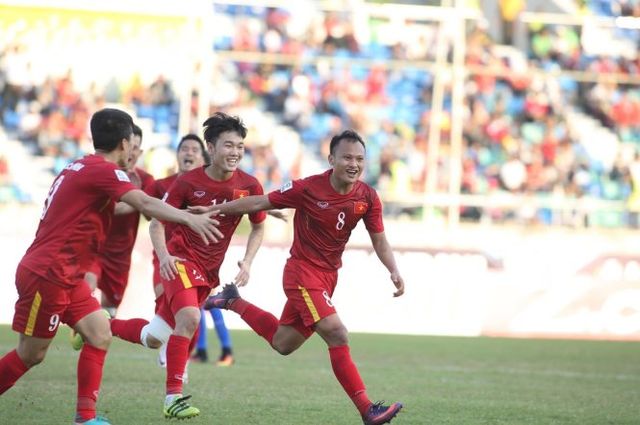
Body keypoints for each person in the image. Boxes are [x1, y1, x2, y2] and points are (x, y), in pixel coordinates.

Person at [0, 108, 222, 425]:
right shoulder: (106, 172)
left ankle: (85, 417)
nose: (135, 149)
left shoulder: (79, 166)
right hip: (48, 274)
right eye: (133, 142)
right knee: (31, 353)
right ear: (122, 142)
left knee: (99, 333)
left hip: (68, 274)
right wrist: (191, 218)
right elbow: (144, 203)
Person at [202, 129, 406, 425]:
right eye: (347, 157)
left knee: (283, 343)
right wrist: (214, 209)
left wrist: (393, 269)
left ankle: (232, 301)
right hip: (301, 273)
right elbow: (260, 202)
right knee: (337, 333)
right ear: (331, 159)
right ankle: (367, 409)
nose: (354, 164)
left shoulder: (368, 197)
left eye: (360, 159)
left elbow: (379, 239)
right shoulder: (308, 188)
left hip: (327, 278)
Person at [108, 112, 267, 420]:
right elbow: (156, 224)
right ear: (211, 146)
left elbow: (259, 227)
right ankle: (173, 398)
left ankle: (100, 322)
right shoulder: (188, 182)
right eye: (228, 145)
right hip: (182, 262)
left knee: (154, 336)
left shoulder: (249, 185)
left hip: (208, 274)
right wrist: (165, 257)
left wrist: (247, 261)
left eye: (240, 146)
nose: (235, 152)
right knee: (191, 317)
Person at [146, 134, 237, 368]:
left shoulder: (219, 186)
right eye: (184, 148)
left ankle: (189, 359)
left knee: (187, 316)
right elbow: (150, 216)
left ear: (203, 156)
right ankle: (180, 369)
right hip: (168, 256)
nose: (188, 153)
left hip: (204, 262)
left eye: (194, 150)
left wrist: (267, 208)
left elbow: (247, 204)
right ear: (177, 154)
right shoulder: (163, 185)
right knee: (187, 313)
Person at [84, 124, 155, 318]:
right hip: (95, 248)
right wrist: (138, 199)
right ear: (122, 146)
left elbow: (150, 214)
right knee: (86, 289)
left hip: (120, 257)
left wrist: (140, 201)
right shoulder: (106, 173)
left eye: (136, 147)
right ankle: (84, 327)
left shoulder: (146, 179)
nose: (131, 152)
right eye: (129, 146)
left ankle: (93, 342)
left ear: (140, 151)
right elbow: (111, 208)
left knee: (109, 312)